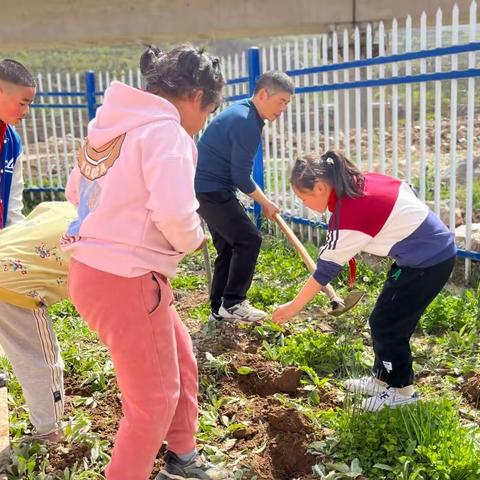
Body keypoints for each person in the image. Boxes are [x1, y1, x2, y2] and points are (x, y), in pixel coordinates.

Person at [63, 45, 228, 480]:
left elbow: (74, 192)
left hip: (95, 272)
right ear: (195, 96)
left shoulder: (110, 126)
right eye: (207, 112)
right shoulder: (166, 132)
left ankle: (183, 459)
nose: (202, 123)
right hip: (129, 278)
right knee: (153, 400)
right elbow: (174, 212)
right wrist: (193, 238)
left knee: (181, 358)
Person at [272, 150, 456, 412]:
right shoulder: (360, 182)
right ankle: (382, 380)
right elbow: (406, 188)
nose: (303, 205)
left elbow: (323, 271)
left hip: (428, 262)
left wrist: (292, 307)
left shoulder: (349, 213)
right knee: (381, 319)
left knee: (389, 326)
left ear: (321, 187)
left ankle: (402, 392)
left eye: (303, 197)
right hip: (422, 255)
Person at [195, 71, 294, 322]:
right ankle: (235, 302)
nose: (282, 109)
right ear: (263, 94)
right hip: (212, 190)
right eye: (281, 101)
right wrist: (266, 203)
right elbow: (240, 176)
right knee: (249, 240)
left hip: (205, 189)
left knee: (230, 245)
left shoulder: (243, 113)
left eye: (287, 104)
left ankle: (220, 307)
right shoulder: (246, 121)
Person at [0, 59, 65, 442]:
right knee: (29, 340)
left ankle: (48, 426)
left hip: (3, 252)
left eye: (30, 103)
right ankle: (49, 428)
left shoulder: (11, 140)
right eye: (22, 102)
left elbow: (13, 202)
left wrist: (17, 248)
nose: (27, 111)